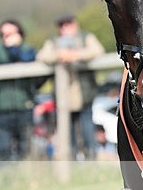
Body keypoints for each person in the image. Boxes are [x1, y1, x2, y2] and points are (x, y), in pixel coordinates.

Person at [36, 15, 104, 160]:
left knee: (88, 134)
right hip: (63, 99)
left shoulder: (86, 37)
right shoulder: (53, 42)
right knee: (68, 137)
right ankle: (71, 166)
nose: (65, 28)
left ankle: (92, 162)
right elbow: (42, 56)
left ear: (75, 25)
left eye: (68, 25)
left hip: (84, 96)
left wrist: (76, 55)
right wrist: (60, 55)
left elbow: (97, 50)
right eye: (62, 26)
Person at [0, 19, 44, 161]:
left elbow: (28, 60)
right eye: (4, 35)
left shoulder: (28, 49)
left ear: (20, 34)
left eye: (11, 34)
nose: (7, 38)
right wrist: (8, 49)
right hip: (3, 109)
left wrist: (14, 49)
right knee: (3, 149)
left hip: (25, 106)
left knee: (26, 148)